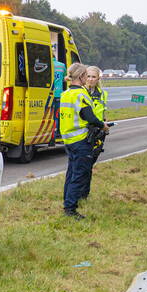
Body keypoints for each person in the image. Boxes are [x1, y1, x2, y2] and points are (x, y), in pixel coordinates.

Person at [59, 63, 107, 219]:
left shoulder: (66, 93)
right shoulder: (81, 94)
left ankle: (67, 201)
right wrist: (103, 125)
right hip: (81, 139)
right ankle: (70, 208)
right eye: (86, 75)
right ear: (81, 77)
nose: (88, 78)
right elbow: (89, 117)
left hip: (68, 139)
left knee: (71, 172)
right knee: (79, 175)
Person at [52, 60, 66, 134]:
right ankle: (56, 134)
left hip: (48, 94)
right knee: (56, 116)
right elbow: (64, 78)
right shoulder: (61, 65)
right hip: (58, 94)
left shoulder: (45, 64)